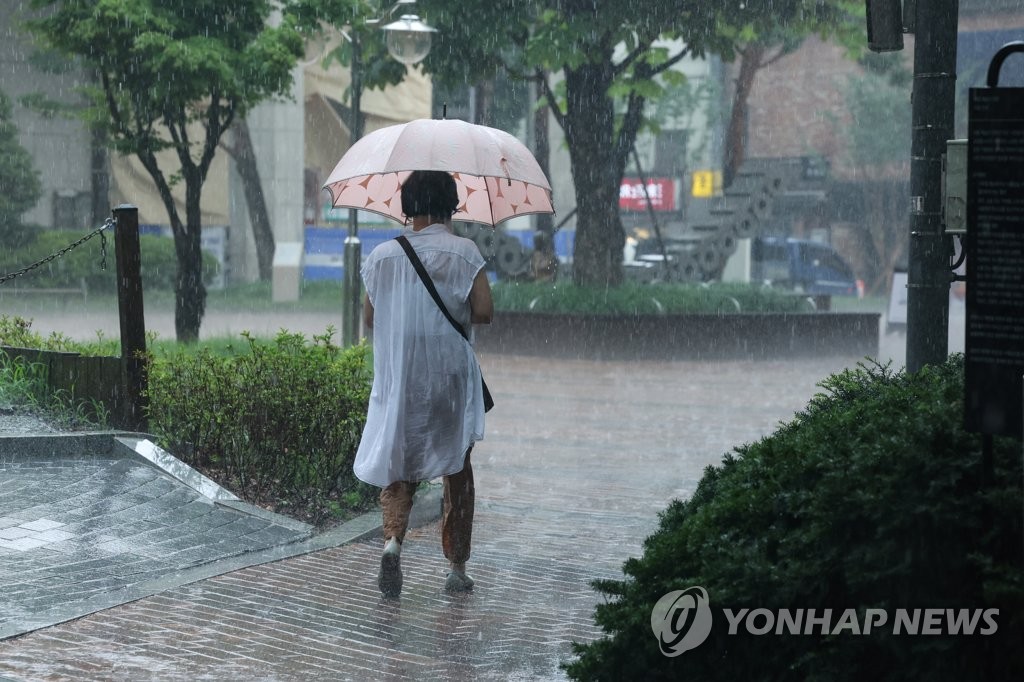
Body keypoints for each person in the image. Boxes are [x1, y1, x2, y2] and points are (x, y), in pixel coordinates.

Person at [354, 170, 493, 598]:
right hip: (449, 377)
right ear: (451, 205)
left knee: (401, 461)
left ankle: (394, 543)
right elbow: (484, 311)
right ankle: (456, 567)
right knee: (456, 466)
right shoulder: (465, 252)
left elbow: (370, 319)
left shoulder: (383, 256)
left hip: (402, 376)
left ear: (407, 206)